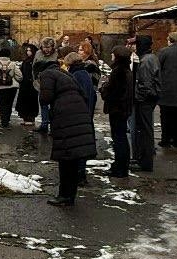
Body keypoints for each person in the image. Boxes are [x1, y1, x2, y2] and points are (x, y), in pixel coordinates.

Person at [39, 56, 97, 207]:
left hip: (65, 119)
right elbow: (83, 95)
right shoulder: (66, 75)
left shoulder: (46, 74)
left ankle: (64, 196)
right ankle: (69, 195)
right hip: (79, 116)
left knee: (65, 159)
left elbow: (45, 98)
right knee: (72, 159)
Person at [101, 45, 134, 178]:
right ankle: (121, 166)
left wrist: (104, 88)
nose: (111, 56)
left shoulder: (118, 71)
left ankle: (120, 168)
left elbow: (112, 92)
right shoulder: (125, 69)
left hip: (117, 109)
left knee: (119, 138)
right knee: (121, 138)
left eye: (113, 54)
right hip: (123, 108)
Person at [64, 51, 97, 185]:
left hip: (79, 115)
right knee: (82, 146)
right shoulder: (84, 73)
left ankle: (79, 175)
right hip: (86, 113)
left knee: (77, 147)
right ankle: (80, 174)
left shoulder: (76, 75)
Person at [131, 33, 162, 173]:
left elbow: (145, 84)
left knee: (145, 130)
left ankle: (146, 162)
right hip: (149, 99)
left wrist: (140, 98)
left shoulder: (146, 61)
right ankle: (143, 158)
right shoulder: (150, 58)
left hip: (145, 100)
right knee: (144, 130)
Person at [0, 46, 21, 128]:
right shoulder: (13, 64)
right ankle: (7, 119)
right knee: (9, 104)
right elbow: (19, 76)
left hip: (0, 87)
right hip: (12, 87)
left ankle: (3, 121)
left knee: (2, 104)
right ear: (9, 55)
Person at [32, 39, 60, 134]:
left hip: (54, 84)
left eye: (48, 47)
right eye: (44, 47)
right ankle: (44, 124)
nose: (46, 50)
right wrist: (35, 78)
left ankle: (53, 126)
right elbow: (34, 67)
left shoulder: (57, 54)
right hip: (41, 83)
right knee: (43, 104)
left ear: (52, 47)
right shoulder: (38, 54)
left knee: (54, 106)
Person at [16, 43, 41, 129]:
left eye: (29, 50)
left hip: (32, 85)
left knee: (31, 101)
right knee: (23, 101)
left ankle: (31, 118)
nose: (28, 52)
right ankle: (24, 117)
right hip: (24, 84)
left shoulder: (36, 61)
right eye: (27, 50)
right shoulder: (25, 61)